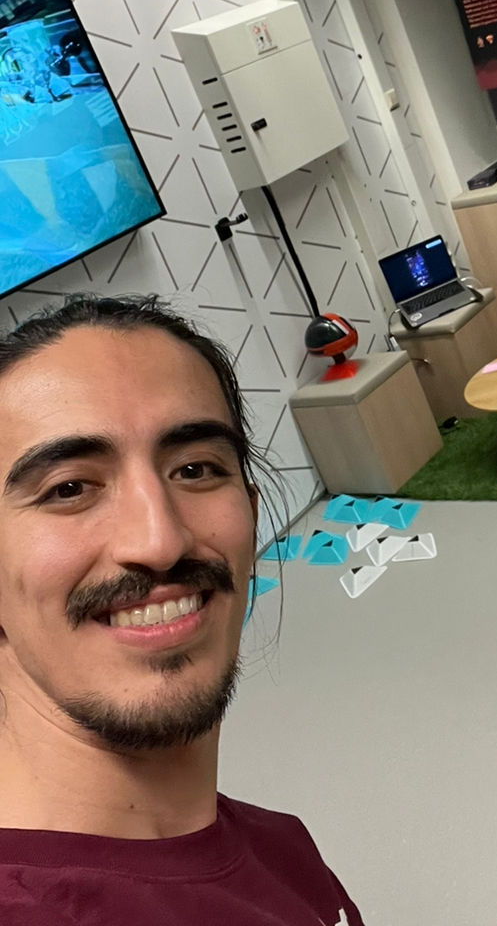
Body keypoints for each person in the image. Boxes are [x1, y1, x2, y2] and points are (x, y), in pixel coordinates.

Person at [0, 294, 364, 924]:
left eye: (195, 469)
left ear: (251, 510)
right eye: (68, 488)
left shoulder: (273, 841)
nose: (160, 541)